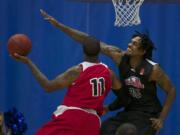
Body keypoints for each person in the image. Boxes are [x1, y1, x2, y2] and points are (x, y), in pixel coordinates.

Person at [40, 9, 176, 135]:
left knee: (131, 132)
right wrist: (59, 25)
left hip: (148, 114)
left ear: (142, 51)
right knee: (104, 129)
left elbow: (171, 91)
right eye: (130, 41)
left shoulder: (153, 70)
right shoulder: (119, 56)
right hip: (130, 110)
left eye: (134, 44)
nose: (129, 44)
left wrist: (161, 119)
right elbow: (87, 40)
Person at [12, 35, 121, 135]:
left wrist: (28, 62)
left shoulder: (77, 71)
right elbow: (123, 94)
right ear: (99, 52)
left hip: (72, 118)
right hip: (93, 123)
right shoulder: (109, 73)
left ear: (83, 52)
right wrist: (109, 107)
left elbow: (47, 86)